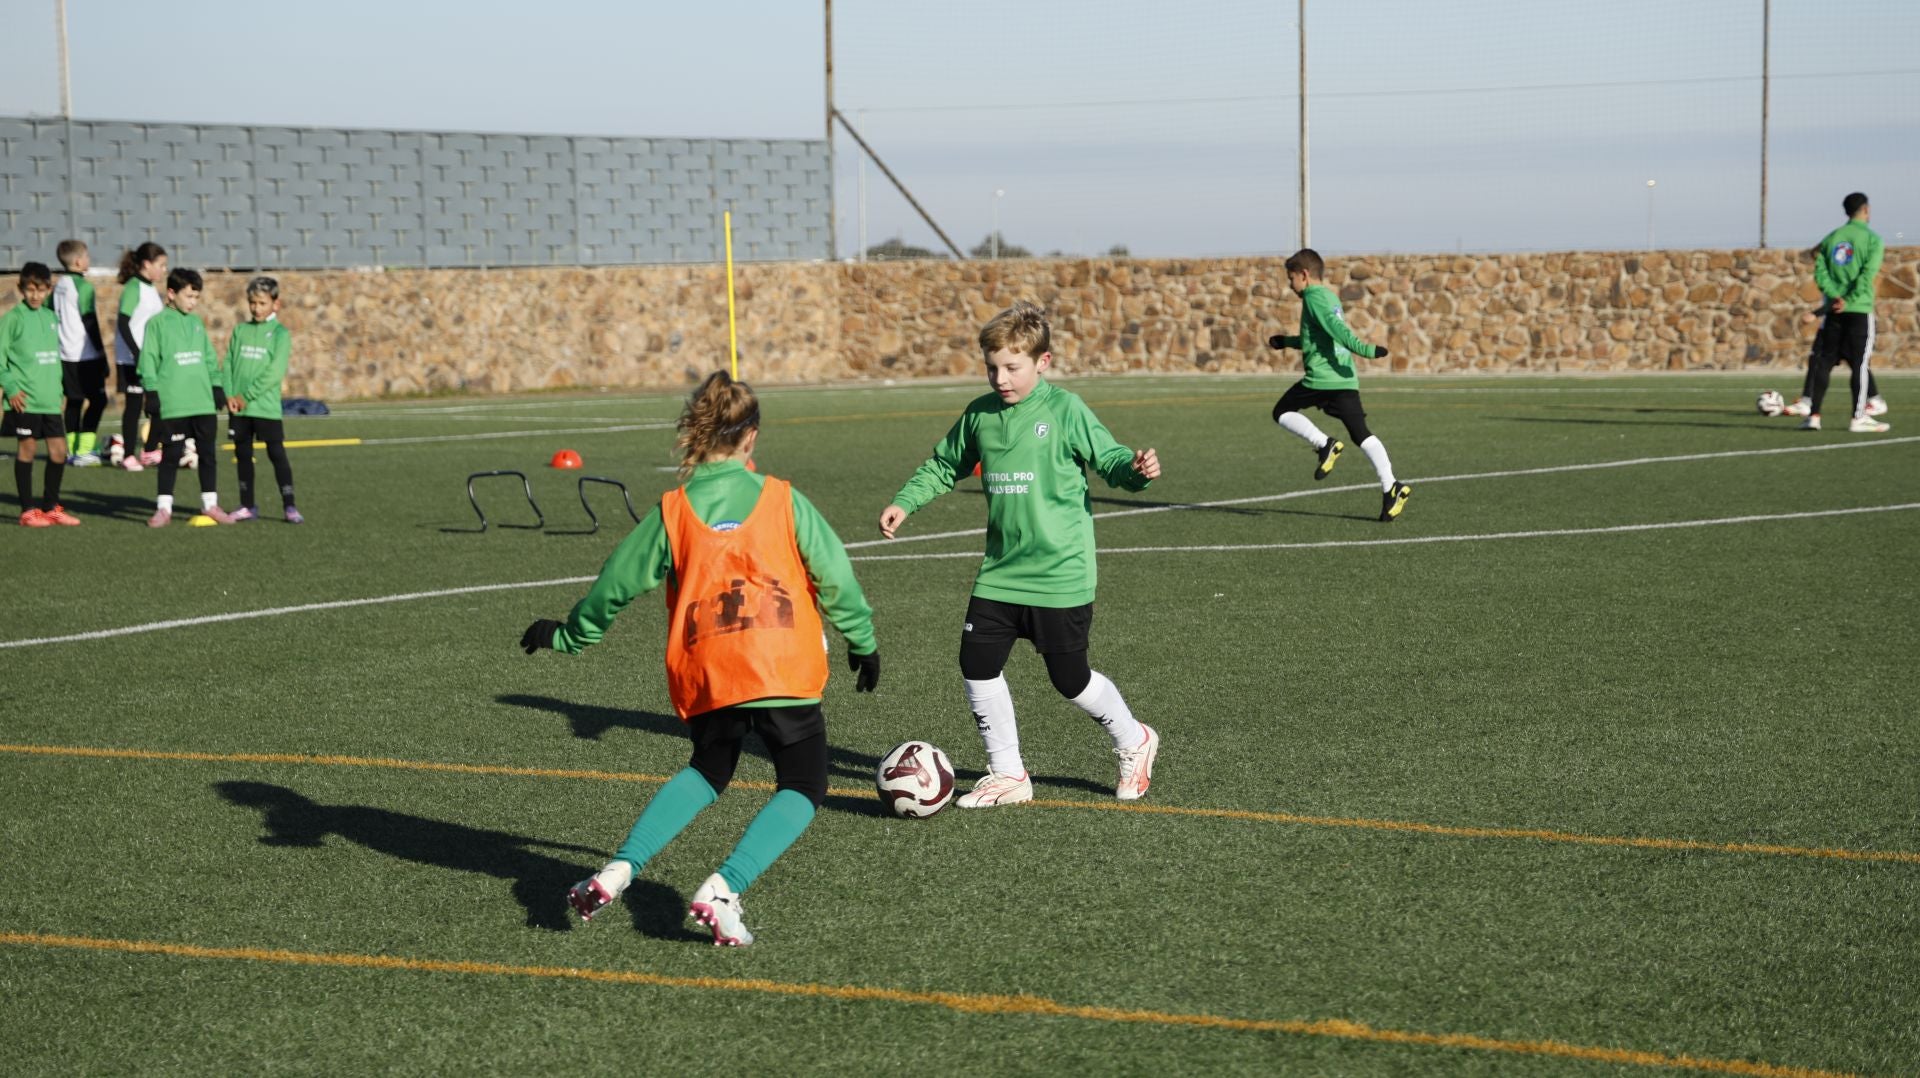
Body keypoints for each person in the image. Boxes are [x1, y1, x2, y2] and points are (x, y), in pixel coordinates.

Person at [521, 370, 880, 947]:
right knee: (804, 782)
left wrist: (567, 635)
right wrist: (861, 641)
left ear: (698, 431)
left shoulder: (673, 510)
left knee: (709, 770)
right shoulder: (784, 500)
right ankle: (724, 888)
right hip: (780, 667)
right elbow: (834, 573)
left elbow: (614, 584)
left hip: (710, 672)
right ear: (751, 437)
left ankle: (617, 871)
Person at [876, 300, 1163, 809]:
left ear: (1043, 362)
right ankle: (1009, 773)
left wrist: (1136, 471)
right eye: (992, 367)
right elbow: (944, 465)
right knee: (977, 663)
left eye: (1013, 367)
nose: (1001, 378)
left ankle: (1134, 739)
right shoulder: (981, 415)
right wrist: (905, 501)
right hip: (1001, 572)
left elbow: (1112, 459)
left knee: (1070, 679)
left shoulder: (1065, 410)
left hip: (1060, 573)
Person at [1264, 247, 1412, 522]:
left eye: (1291, 277)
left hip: (1322, 380)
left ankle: (1325, 444)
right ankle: (1392, 487)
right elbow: (1318, 338)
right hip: (1344, 378)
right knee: (1362, 435)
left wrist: (1365, 349)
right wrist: (1286, 342)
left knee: (1282, 412)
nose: (1289, 284)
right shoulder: (1329, 296)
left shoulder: (1313, 298)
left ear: (1304, 275)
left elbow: (1338, 331)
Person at [135, 268, 234, 527]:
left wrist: (216, 385)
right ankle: (163, 509)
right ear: (171, 293)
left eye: (196, 297)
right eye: (189, 296)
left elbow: (209, 358)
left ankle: (210, 505)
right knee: (171, 456)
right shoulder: (156, 324)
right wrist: (152, 392)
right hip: (174, 404)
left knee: (208, 455)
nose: (193, 302)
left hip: (201, 402)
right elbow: (148, 362)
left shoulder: (195, 323)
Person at [1783, 193, 1889, 433]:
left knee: (1824, 363)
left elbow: (1819, 270)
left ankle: (1814, 416)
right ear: (1865, 209)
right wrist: (1849, 299)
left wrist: (1833, 297)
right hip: (1858, 309)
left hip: (1833, 311)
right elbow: (1867, 276)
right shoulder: (1872, 239)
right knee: (1860, 365)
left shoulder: (1832, 238)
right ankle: (1858, 417)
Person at [1, 263, 80, 526]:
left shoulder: (50, 318)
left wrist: (58, 391)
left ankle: (51, 507)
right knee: (28, 450)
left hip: (49, 401)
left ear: (48, 289)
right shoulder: (13, 319)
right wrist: (11, 388)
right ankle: (27, 511)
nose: (35, 295)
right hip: (25, 401)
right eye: (30, 290)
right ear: (22, 289)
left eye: (41, 290)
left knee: (59, 452)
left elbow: (52, 360)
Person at [223, 276, 303, 523]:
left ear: (275, 304)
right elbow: (228, 364)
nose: (256, 308)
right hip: (239, 409)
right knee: (243, 455)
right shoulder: (241, 330)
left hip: (264, 407)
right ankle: (247, 505)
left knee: (277, 454)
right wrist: (229, 394)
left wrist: (246, 396)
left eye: (262, 303)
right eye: (252, 303)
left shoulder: (280, 334)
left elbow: (274, 372)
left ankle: (289, 506)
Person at [52, 240, 109, 467]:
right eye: (86, 256)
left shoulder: (59, 285)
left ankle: (71, 450)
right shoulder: (83, 287)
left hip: (65, 354)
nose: (89, 259)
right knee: (99, 400)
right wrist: (102, 353)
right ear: (77, 261)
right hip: (85, 355)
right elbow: (90, 322)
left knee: (74, 401)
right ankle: (84, 451)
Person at [112, 242, 167, 471]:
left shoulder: (151, 288)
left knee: (159, 404)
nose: (165, 270)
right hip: (132, 359)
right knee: (134, 407)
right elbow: (124, 322)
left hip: (150, 359)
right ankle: (128, 456)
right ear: (147, 264)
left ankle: (150, 450)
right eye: (161, 265)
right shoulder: (134, 287)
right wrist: (136, 352)